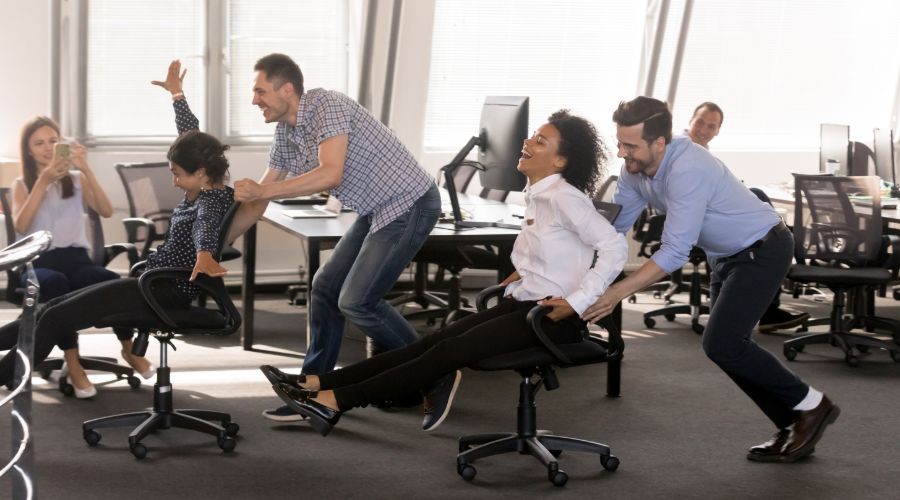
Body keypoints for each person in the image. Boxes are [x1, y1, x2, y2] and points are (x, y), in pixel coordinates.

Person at [262, 110, 628, 435]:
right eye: (532, 135)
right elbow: (559, 250)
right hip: (525, 304)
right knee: (430, 343)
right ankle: (317, 382)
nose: (527, 142)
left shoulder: (565, 198)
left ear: (561, 160)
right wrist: (526, 271)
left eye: (540, 141)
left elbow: (615, 247)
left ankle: (333, 400)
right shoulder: (541, 194)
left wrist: (577, 301)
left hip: (550, 318)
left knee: (446, 352)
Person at [152, 56, 441, 422]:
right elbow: (258, 201)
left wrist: (263, 190)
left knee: (356, 301)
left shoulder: (326, 105)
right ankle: (313, 388)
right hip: (375, 208)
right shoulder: (286, 132)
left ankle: (437, 370)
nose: (254, 100)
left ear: (287, 89)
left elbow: (330, 174)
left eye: (260, 90)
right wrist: (204, 251)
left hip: (410, 202)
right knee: (324, 288)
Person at [582, 97, 839, 464]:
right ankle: (794, 421)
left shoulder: (689, 168)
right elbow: (615, 228)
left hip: (762, 249)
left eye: (631, 146)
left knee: (724, 344)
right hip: (726, 256)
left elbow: (673, 253)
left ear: (659, 143)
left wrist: (615, 293)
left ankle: (814, 405)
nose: (622, 153)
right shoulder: (633, 170)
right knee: (726, 348)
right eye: (620, 143)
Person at [0, 130, 233, 395]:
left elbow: (205, 226)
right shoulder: (202, 191)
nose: (174, 182)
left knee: (54, 317)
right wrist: (177, 96)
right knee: (50, 308)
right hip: (149, 284)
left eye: (177, 173)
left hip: (162, 290)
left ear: (202, 172)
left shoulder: (210, 202)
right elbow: (191, 135)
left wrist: (204, 252)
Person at [11, 116, 154, 397]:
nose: (47, 147)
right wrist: (42, 182)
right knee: (55, 285)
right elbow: (20, 226)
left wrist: (85, 167)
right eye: (38, 143)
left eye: (53, 141)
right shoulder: (22, 184)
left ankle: (128, 349)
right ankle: (73, 363)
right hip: (37, 262)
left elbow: (106, 210)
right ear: (28, 150)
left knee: (113, 283)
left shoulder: (75, 180)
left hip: (76, 259)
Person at [685, 102, 809, 333]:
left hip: (712, 221)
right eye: (700, 122)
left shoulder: (702, 153)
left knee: (757, 197)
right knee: (758, 198)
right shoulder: (682, 152)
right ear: (690, 120)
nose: (703, 129)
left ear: (718, 131)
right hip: (693, 225)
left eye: (711, 126)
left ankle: (787, 255)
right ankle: (793, 255)